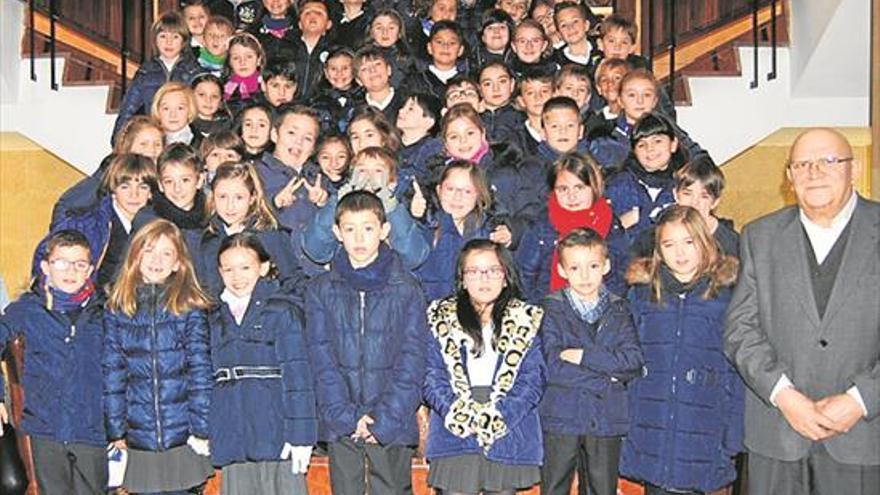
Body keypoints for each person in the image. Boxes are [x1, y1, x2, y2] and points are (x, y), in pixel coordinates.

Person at [724, 128, 880, 494]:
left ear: (852, 169)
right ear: (790, 177)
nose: (814, 172)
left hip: (863, 435)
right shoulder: (759, 236)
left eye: (828, 161)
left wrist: (860, 400)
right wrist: (784, 395)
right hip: (777, 433)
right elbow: (740, 330)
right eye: (802, 164)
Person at [305, 191, 427, 494]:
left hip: (391, 423)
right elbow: (320, 358)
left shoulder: (407, 288)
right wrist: (345, 417)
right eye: (350, 229)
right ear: (336, 233)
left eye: (368, 228)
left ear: (385, 231)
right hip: (341, 422)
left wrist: (384, 420)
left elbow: (413, 359)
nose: (359, 237)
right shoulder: (320, 289)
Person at [622, 205, 744, 495]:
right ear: (658, 250)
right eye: (669, 244)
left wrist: (733, 437)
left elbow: (738, 373)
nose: (680, 253)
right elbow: (627, 364)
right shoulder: (641, 296)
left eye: (689, 242)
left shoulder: (727, 298)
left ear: (705, 242)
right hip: (650, 428)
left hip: (706, 432)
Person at [423, 238, 546, 495]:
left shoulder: (526, 319)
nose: (484, 279)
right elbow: (431, 375)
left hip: (509, 426)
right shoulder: (440, 317)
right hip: (455, 428)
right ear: (462, 279)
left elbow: (533, 378)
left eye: (492, 270)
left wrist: (501, 415)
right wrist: (458, 412)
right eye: (475, 271)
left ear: (505, 276)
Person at [103, 219, 214, 495]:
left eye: (167, 253)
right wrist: (116, 428)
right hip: (138, 437)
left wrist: (201, 427)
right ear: (135, 255)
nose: (157, 259)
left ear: (178, 263)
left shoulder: (188, 307)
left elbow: (200, 370)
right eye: (149, 250)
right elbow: (113, 372)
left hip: (183, 436)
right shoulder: (118, 309)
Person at [208, 233, 317, 494]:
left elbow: (298, 377)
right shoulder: (214, 316)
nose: (237, 276)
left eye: (245, 267)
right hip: (235, 436)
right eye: (229, 269)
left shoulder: (283, 311)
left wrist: (302, 435)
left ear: (264, 267)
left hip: (276, 431)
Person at [0, 230, 107, 495]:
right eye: (61, 262)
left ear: (89, 270)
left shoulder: (104, 312)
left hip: (92, 428)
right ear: (46, 267)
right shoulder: (27, 310)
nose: (70, 270)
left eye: (79, 264)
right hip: (45, 428)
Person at [539, 228, 643, 495]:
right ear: (562, 270)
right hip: (562, 417)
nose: (585, 276)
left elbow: (632, 361)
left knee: (601, 488)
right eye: (575, 267)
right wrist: (605, 378)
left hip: (606, 419)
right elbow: (552, 367)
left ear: (606, 266)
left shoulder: (619, 309)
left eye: (593, 266)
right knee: (554, 487)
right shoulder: (550, 309)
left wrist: (583, 356)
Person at [193, 161, 305, 298]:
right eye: (222, 197)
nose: (230, 206)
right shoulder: (206, 240)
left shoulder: (271, 237)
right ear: (213, 197)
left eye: (239, 197)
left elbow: (294, 283)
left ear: (252, 198)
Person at [516, 153, 613, 304]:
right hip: (550, 309)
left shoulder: (610, 223)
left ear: (594, 186)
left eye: (579, 187)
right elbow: (524, 273)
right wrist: (540, 308)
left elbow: (620, 274)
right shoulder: (543, 225)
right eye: (563, 189)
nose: (571, 196)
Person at [112, 11, 200, 143]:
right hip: (155, 137)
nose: (168, 42)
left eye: (175, 37)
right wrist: (118, 140)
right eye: (163, 36)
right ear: (155, 40)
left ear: (184, 41)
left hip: (186, 137)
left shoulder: (194, 70)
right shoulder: (145, 72)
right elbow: (128, 108)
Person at [224, 32, 266, 114]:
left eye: (249, 57)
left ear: (258, 60)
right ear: (229, 62)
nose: (242, 62)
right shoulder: (225, 89)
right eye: (236, 58)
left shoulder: (266, 85)